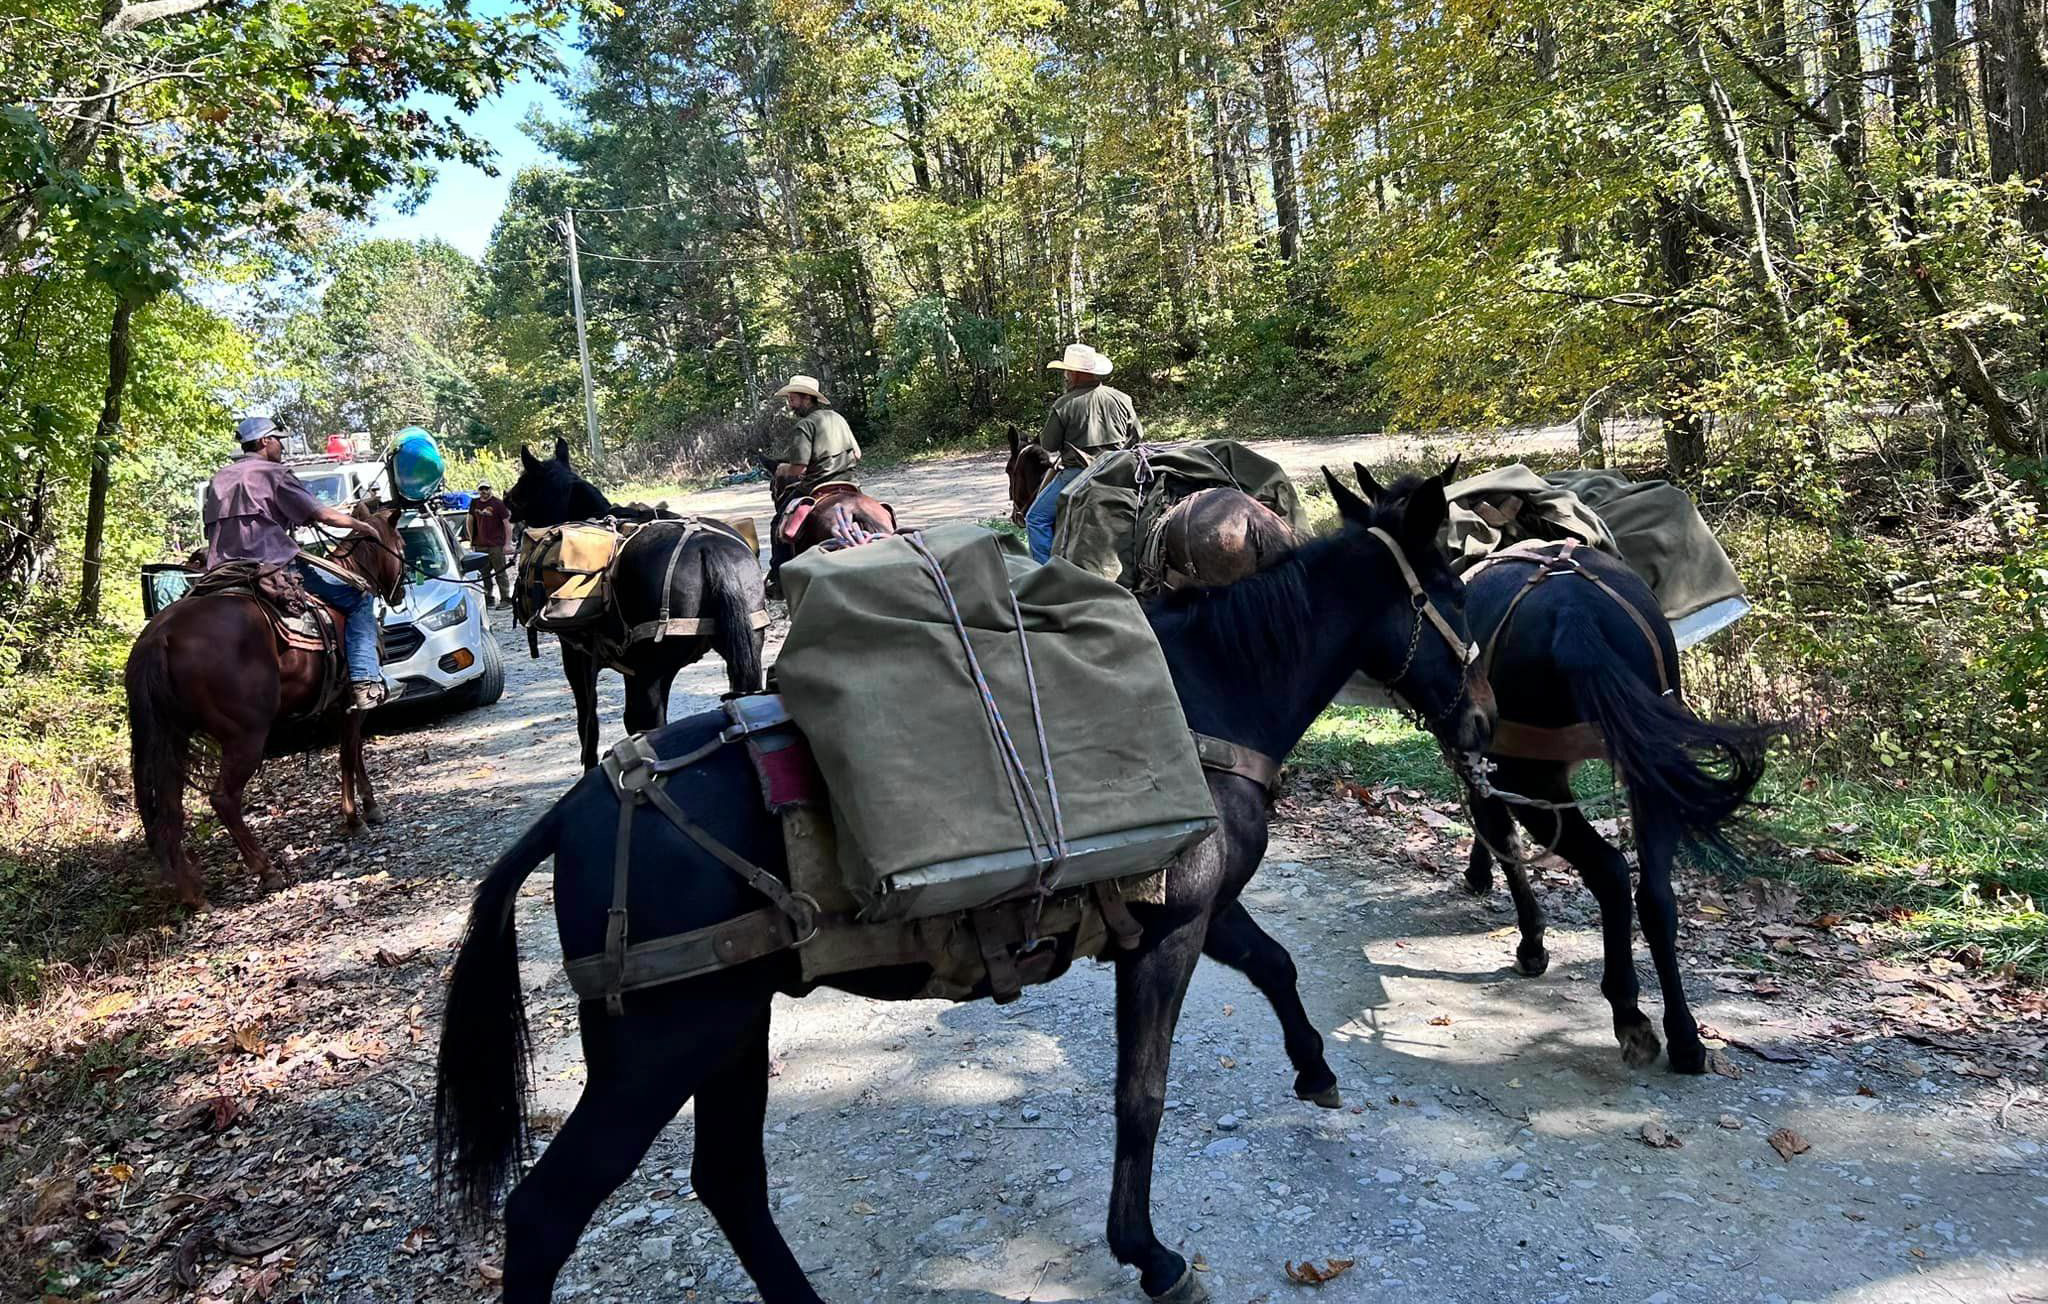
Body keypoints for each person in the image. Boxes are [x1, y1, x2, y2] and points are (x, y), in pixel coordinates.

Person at [203, 416, 389, 711]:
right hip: (273, 564)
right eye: (279, 440)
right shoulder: (274, 474)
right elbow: (322, 515)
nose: (282, 447)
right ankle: (365, 682)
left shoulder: (219, 478)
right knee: (360, 599)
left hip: (222, 570)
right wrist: (363, 526)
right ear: (265, 441)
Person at [1027, 342, 1141, 563]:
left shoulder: (1064, 405)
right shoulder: (1122, 398)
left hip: (1078, 474)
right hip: (1118, 470)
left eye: (1068, 371)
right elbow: (1137, 435)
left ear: (1078, 374)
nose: (1066, 376)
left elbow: (1049, 445)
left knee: (1036, 518)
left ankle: (1045, 573)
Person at [767, 374, 861, 588]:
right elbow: (857, 454)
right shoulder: (837, 418)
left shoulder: (805, 425)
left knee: (777, 523)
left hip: (815, 486)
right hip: (850, 484)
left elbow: (799, 468)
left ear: (807, 398)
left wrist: (782, 469)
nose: (790, 404)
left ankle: (778, 579)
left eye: (792, 398)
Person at [467, 482, 513, 609]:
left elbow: (507, 524)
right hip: (480, 545)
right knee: (484, 574)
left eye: (486, 488)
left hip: (496, 544)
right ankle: (488, 598)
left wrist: (507, 544)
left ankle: (506, 599)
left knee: (500, 572)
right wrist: (472, 540)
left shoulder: (498, 503)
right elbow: (470, 521)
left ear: (490, 489)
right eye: (481, 489)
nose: (484, 491)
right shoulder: (474, 503)